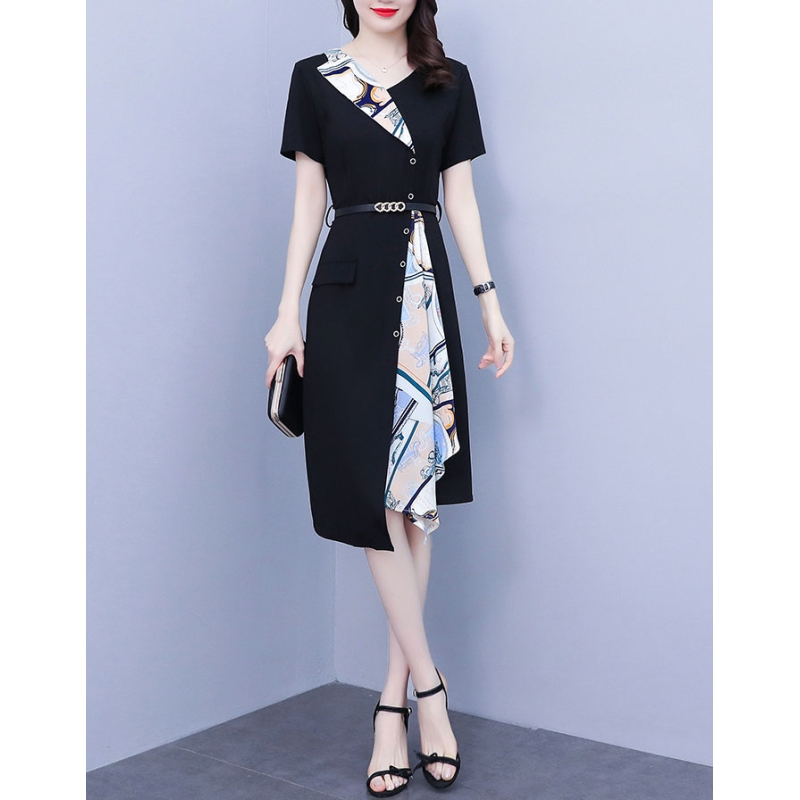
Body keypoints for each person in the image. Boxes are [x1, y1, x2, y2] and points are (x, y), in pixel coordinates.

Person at [264, 1, 514, 795]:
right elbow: (308, 202)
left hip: (423, 297)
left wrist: (489, 301)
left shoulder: (448, 80)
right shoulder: (315, 78)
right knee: (375, 498)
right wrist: (285, 312)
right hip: (346, 295)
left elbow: (460, 197)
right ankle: (428, 693)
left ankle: (389, 702)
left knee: (413, 497)